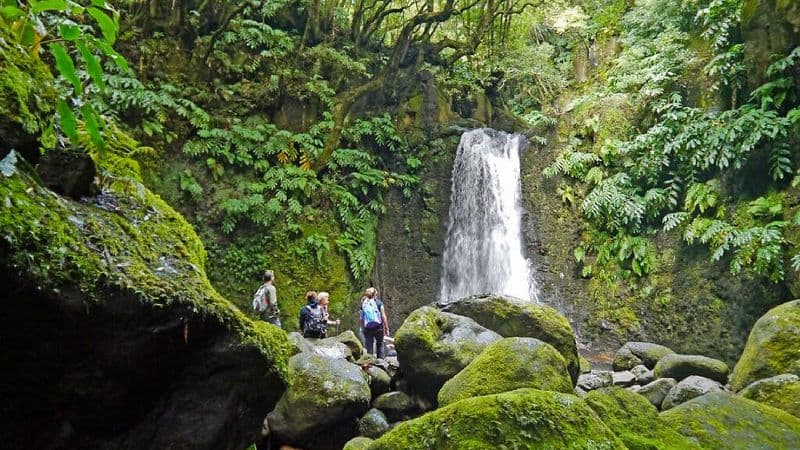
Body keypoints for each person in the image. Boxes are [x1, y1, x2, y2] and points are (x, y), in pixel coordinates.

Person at [360, 287, 389, 358]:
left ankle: (370, 364)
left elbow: (361, 318)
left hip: (368, 328)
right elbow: (383, 316)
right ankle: (381, 363)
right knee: (380, 344)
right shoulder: (379, 302)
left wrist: (362, 327)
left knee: (369, 346)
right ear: (375, 294)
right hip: (378, 327)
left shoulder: (363, 304)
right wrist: (386, 327)